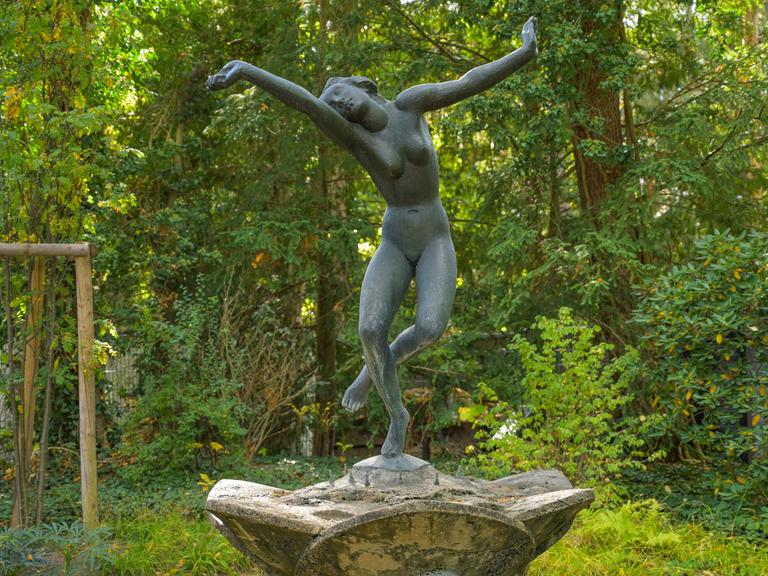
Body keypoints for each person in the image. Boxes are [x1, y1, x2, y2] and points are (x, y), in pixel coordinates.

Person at [207, 17, 538, 458]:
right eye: (335, 106)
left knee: (430, 328)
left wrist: (523, 53)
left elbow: (468, 81)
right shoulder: (358, 140)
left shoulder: (409, 104)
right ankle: (397, 416)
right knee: (368, 328)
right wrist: (248, 70)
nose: (338, 104)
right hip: (395, 240)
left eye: (340, 94)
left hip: (434, 237)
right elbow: (307, 104)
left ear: (361, 86)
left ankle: (370, 373)